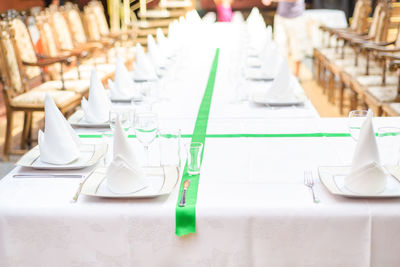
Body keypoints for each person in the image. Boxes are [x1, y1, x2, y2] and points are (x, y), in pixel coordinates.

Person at [262, 0, 307, 78]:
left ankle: (296, 77)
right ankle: (282, 75)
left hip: (296, 17)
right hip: (281, 16)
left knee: (297, 49)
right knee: (280, 48)